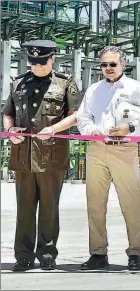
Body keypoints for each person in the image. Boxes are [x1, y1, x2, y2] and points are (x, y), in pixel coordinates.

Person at [1, 40, 83, 271]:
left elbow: (76, 115)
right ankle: (23, 256)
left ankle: (47, 254)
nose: (36, 67)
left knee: (49, 208)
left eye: (41, 63)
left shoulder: (65, 83)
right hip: (23, 156)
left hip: (52, 156)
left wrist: (55, 129)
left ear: (52, 59)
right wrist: (10, 130)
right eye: (33, 63)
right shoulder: (18, 83)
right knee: (24, 210)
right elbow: (8, 113)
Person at [75, 46, 140, 271]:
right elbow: (82, 117)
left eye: (113, 64)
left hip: (124, 149)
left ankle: (134, 252)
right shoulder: (93, 89)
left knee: (131, 203)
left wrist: (130, 127)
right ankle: (98, 253)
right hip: (97, 149)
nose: (109, 68)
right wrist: (91, 129)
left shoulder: (136, 88)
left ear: (123, 63)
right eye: (104, 65)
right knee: (95, 204)